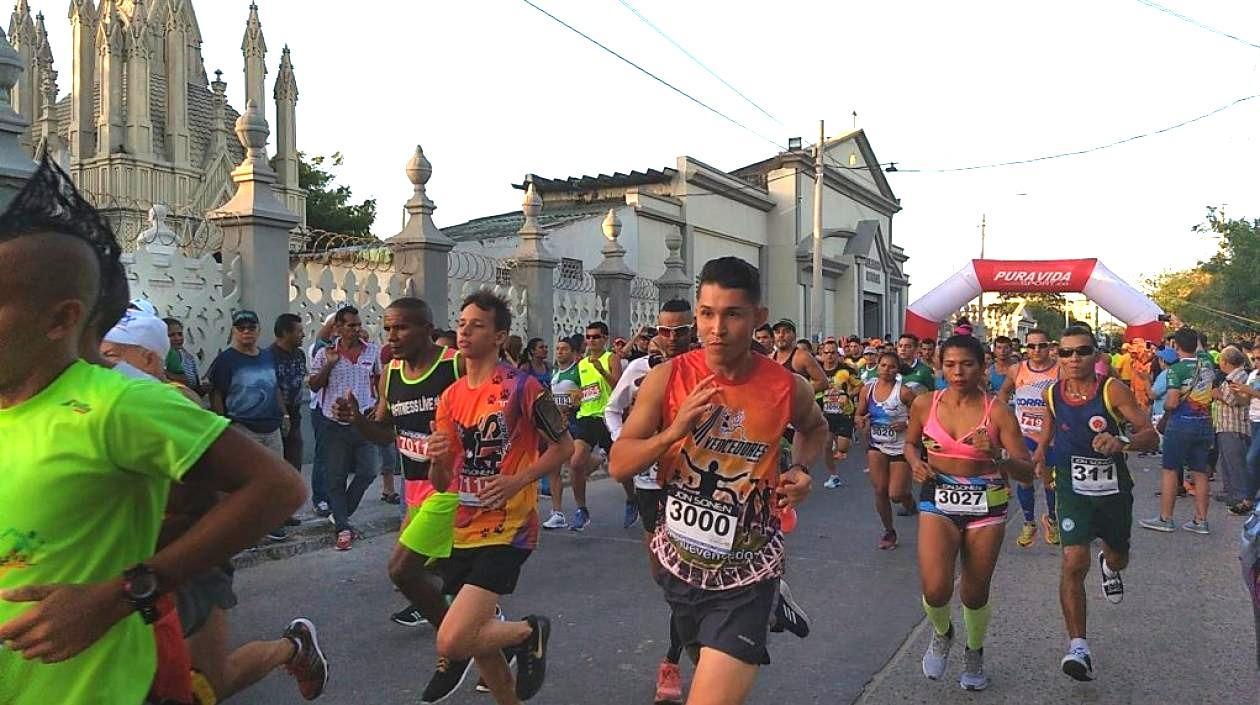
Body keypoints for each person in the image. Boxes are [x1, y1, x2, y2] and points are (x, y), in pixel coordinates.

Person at [0, 175, 318, 705]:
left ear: (61, 319)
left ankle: (290, 649)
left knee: (206, 683)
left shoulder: (117, 403)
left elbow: (277, 488)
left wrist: (126, 593)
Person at [610, 256, 825, 705]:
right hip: (681, 563)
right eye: (707, 313)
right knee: (703, 668)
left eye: (732, 314)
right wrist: (673, 431)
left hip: (749, 570)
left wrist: (801, 469)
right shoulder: (668, 378)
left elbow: (816, 428)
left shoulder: (785, 386)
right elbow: (619, 463)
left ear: (757, 318)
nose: (716, 328)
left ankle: (767, 600)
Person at [426, 290, 573, 705]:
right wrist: (437, 460)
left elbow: (564, 447)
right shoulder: (451, 397)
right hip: (464, 528)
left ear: (499, 337)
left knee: (454, 641)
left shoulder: (523, 388)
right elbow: (442, 482)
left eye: (477, 325)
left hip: (509, 527)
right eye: (462, 323)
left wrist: (518, 480)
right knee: (483, 648)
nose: (465, 331)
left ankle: (530, 631)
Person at [332, 297, 473, 700]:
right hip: (414, 489)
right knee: (448, 578)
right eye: (388, 328)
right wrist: (357, 420)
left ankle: (454, 645)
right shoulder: (390, 375)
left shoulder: (453, 365)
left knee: (401, 570)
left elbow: (494, 403)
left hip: (452, 487)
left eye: (402, 328)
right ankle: (498, 634)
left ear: (428, 329)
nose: (391, 336)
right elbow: (385, 433)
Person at [903, 335, 1034, 691]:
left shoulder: (999, 411)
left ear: (983, 367)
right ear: (939, 366)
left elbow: (1027, 470)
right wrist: (915, 462)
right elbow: (911, 444)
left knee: (975, 592)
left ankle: (974, 650)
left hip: (986, 501)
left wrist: (997, 455)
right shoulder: (924, 403)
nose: (958, 372)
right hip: (938, 496)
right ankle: (943, 633)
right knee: (935, 588)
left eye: (967, 364)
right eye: (949, 364)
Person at [1034, 325, 1158, 681]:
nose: (1074, 359)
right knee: (1073, 560)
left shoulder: (1111, 389)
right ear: (1059, 356)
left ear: (1096, 355)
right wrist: (1041, 452)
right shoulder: (1053, 394)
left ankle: (1111, 565)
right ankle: (1078, 647)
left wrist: (1124, 443)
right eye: (1067, 352)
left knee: (1119, 555)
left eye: (1082, 351)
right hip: (1072, 489)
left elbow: (1148, 433)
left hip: (1113, 491)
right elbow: (1049, 429)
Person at [605, 299, 693, 704]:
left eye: (681, 331)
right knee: (663, 576)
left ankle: (671, 661)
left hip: (692, 484)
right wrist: (628, 443)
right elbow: (612, 409)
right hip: (648, 482)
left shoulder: (705, 371)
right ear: (657, 332)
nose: (673, 339)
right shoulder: (641, 369)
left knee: (683, 578)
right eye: (666, 331)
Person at [207, 309, 292, 542]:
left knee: (274, 478)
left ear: (258, 330)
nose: (246, 332)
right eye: (241, 327)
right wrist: (221, 425)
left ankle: (270, 523)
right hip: (242, 428)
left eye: (251, 327)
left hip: (271, 427)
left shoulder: (267, 356)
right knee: (242, 482)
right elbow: (217, 393)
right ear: (234, 330)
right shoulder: (226, 360)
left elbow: (275, 388)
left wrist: (284, 415)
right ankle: (237, 528)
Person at [309, 305, 382, 550]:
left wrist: (381, 404)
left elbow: (381, 381)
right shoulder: (324, 354)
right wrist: (330, 364)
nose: (356, 329)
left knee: (369, 471)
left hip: (363, 423)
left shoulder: (372, 351)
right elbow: (314, 386)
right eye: (351, 325)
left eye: (358, 324)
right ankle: (342, 527)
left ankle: (341, 513)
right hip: (334, 424)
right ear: (338, 327)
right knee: (335, 477)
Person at [1140, 327, 1217, 534]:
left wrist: (1165, 407)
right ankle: (1201, 520)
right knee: (1200, 472)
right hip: (1204, 422)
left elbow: (1172, 402)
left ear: (1176, 346)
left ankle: (1166, 517)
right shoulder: (1207, 364)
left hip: (1181, 423)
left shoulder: (1176, 370)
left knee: (1170, 470)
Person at [996, 329, 1061, 547]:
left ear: (1049, 347)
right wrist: (1003, 415)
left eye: (1041, 346)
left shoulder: (1060, 370)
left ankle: (1052, 519)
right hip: (1023, 432)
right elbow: (1004, 392)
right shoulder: (1017, 370)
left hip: (1051, 434)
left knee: (1049, 481)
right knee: (1024, 479)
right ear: (1026, 348)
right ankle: (1028, 522)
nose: (1036, 350)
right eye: (1031, 346)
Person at [855, 352, 919, 549]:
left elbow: (922, 413)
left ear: (898, 370)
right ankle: (889, 531)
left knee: (896, 493)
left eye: (891, 367)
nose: (886, 370)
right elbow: (859, 413)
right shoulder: (867, 389)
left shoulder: (904, 392)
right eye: (883, 365)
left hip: (900, 447)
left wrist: (907, 422)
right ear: (878, 366)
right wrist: (861, 420)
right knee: (880, 490)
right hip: (877, 445)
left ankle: (908, 501)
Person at [570, 321, 627, 530]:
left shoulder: (611, 358)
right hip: (587, 416)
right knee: (576, 463)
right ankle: (581, 509)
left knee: (620, 468)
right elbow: (583, 390)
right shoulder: (582, 363)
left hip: (608, 417)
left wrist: (602, 370)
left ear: (605, 338)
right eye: (589, 337)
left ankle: (632, 499)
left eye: (596, 337)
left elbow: (618, 388)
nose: (591, 340)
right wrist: (576, 397)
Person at [543, 335, 582, 529]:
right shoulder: (555, 372)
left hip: (575, 425)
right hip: (557, 426)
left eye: (564, 349)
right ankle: (557, 512)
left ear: (574, 353)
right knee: (554, 469)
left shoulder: (578, 372)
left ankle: (580, 508)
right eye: (558, 348)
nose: (559, 352)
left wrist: (572, 407)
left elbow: (584, 396)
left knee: (575, 466)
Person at [1212, 347, 1252, 514]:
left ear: (1226, 362)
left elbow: (1233, 400)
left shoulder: (1238, 376)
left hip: (1233, 425)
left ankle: (1239, 495)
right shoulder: (1233, 376)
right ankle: (1229, 491)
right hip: (1225, 424)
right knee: (1227, 461)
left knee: (1235, 462)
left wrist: (1217, 394)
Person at [818, 339, 860, 489]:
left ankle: (841, 440)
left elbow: (859, 386)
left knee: (843, 449)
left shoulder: (846, 370)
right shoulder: (816, 371)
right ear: (821, 354)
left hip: (844, 414)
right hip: (825, 414)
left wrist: (848, 395)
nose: (829, 356)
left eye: (833, 353)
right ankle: (833, 475)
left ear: (838, 354)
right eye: (826, 353)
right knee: (826, 446)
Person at [271, 313, 309, 480]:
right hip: (276, 415)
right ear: (286, 333)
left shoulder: (299, 354)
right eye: (299, 331)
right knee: (277, 464)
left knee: (294, 463)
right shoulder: (269, 356)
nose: (303, 335)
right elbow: (272, 387)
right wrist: (284, 414)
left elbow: (304, 378)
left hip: (295, 413)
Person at [1228, 347, 1260, 515]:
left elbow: (1252, 393)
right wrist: (1237, 393)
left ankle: (1248, 499)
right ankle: (1249, 499)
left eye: (1259, 358)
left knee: (1251, 459)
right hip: (1253, 420)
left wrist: (1249, 391)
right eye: (1254, 359)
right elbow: (1246, 400)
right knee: (1254, 461)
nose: (1256, 362)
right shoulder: (1253, 375)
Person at [164, 316, 203, 394]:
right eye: (171, 335)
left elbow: (192, 383)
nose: (177, 338)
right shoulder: (157, 356)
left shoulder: (188, 357)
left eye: (180, 334)